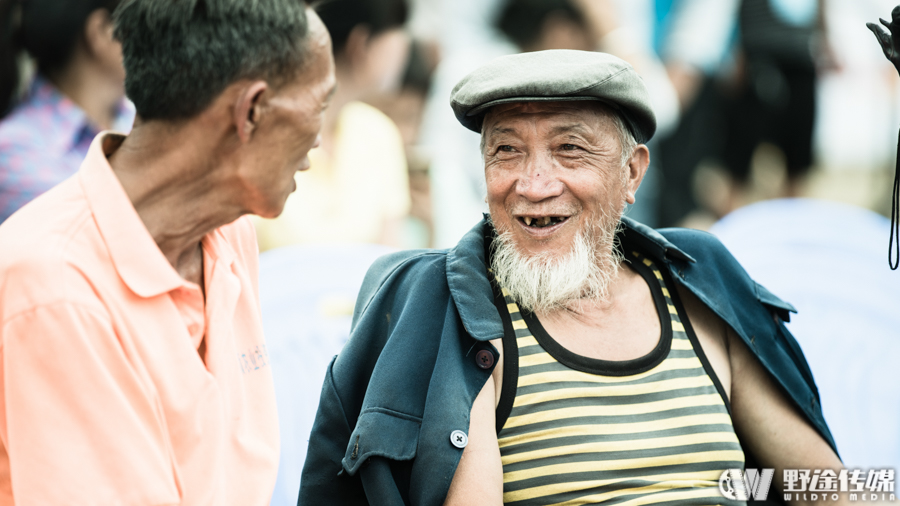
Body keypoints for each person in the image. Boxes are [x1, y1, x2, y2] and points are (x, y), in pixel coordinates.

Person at [299, 50, 846, 505]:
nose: (534, 185)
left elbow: (828, 489)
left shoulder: (695, 286)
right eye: (507, 151)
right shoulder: (467, 320)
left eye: (570, 149)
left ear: (632, 172)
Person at [0, 0, 336, 503]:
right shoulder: (54, 286)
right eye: (320, 105)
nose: (320, 140)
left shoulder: (229, 233)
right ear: (251, 111)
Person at [253, 0, 413, 250]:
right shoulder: (267, 129)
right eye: (397, 37)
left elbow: (392, 257)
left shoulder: (377, 132)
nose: (405, 52)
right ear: (361, 45)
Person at [0, 0, 134, 223]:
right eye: (140, 25)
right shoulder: (14, 151)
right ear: (100, 31)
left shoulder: (134, 117)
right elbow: (106, 230)